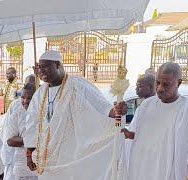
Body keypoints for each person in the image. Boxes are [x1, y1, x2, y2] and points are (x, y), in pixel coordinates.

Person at [23, 50, 127, 180]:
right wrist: (29, 153)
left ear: (58, 65)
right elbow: (32, 123)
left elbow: (102, 107)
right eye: (39, 67)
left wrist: (117, 110)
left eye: (45, 67)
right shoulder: (40, 93)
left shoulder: (78, 84)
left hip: (72, 157)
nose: (41, 71)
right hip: (47, 159)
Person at [126, 62, 188, 180]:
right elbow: (135, 135)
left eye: (166, 84)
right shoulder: (146, 105)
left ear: (179, 83)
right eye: (157, 83)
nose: (160, 88)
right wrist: (123, 130)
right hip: (143, 173)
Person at [0, 75, 36, 180]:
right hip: (19, 163)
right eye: (23, 97)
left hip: (39, 165)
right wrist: (32, 139)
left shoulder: (43, 110)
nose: (25, 101)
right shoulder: (16, 109)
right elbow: (9, 140)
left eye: (29, 98)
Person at [122, 72, 156, 139]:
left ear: (151, 87)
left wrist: (130, 135)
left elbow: (151, 134)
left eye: (140, 86)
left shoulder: (154, 105)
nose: (136, 89)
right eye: (136, 86)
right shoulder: (144, 104)